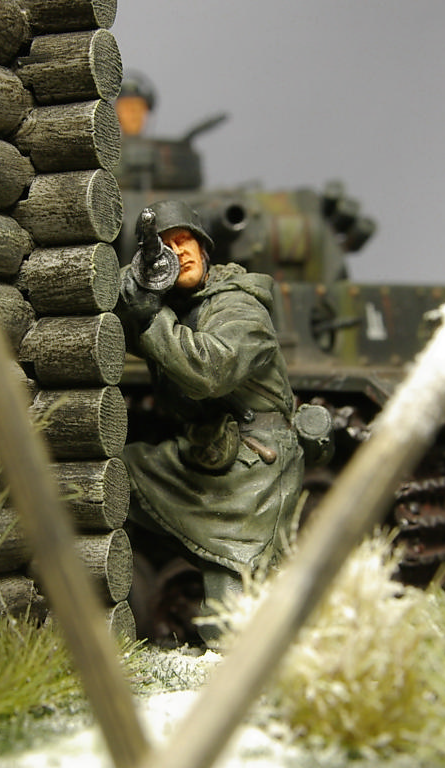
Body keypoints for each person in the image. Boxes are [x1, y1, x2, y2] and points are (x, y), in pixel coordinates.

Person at [116, 200, 304, 646]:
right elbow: (119, 310)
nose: (178, 252)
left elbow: (208, 370)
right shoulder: (182, 306)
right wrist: (136, 283)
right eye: (165, 246)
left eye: (186, 241)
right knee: (117, 475)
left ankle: (238, 659)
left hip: (253, 468)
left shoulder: (239, 305)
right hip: (212, 456)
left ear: (204, 249)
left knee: (234, 597)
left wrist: (151, 315)